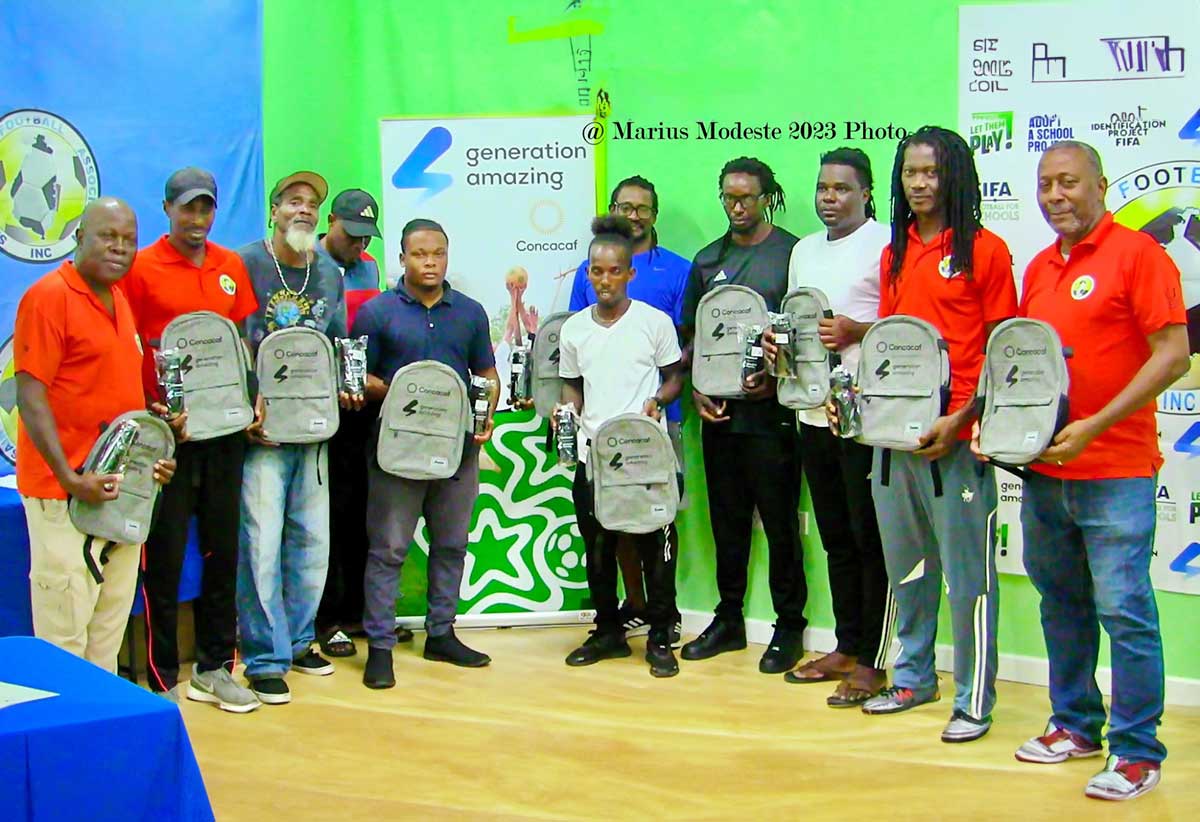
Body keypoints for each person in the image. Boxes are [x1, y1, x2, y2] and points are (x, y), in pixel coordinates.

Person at [1002, 141, 1188, 799]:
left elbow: (1172, 356)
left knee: (1125, 610)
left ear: (1100, 186)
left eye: (1069, 182)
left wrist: (1095, 427)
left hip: (1116, 471)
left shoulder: (1142, 256)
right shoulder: (1041, 269)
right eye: (1046, 184)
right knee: (1063, 607)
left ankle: (1137, 751)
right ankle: (1075, 724)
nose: (1056, 195)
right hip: (1047, 474)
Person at [854, 126, 1016, 744]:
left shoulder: (987, 251)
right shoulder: (893, 252)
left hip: (959, 440)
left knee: (967, 577)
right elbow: (895, 346)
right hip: (895, 440)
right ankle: (913, 676)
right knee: (906, 568)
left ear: (954, 177)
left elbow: (1003, 353)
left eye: (931, 173)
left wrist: (963, 420)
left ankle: (975, 698)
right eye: (910, 173)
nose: (920, 184)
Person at [14, 197, 176, 673]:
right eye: (108, 236)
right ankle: (61, 743)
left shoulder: (118, 300)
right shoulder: (49, 297)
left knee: (106, 634)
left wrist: (154, 453)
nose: (119, 248)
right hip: (64, 494)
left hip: (121, 494)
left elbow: (120, 403)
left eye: (129, 240)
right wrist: (69, 477)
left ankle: (96, 740)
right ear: (79, 237)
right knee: (65, 637)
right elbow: (30, 396)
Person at [122, 168, 260, 711]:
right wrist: (150, 411)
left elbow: (245, 342)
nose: (197, 219)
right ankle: (161, 678)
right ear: (167, 209)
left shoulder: (230, 266)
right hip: (170, 436)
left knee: (223, 549)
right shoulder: (140, 269)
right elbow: (128, 344)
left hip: (226, 433)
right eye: (187, 209)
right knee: (166, 553)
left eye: (205, 209)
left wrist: (256, 395)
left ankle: (214, 668)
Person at [772, 148, 893, 707]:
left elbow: (903, 328)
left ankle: (874, 658)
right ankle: (846, 645)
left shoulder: (889, 243)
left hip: (866, 415)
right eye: (822, 187)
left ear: (866, 193)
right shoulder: (802, 250)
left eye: (842, 188)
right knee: (835, 536)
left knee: (871, 539)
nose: (829, 197)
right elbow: (797, 322)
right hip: (811, 410)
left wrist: (856, 329)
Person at [357, 219, 499, 689]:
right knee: (389, 549)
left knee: (452, 544)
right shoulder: (377, 313)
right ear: (402, 259)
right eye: (420, 254)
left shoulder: (471, 313)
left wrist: (485, 413)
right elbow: (360, 380)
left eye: (438, 253)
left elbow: (486, 372)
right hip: (396, 452)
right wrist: (401, 391)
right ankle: (380, 647)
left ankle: (441, 633)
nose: (430, 262)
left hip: (456, 451)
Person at [680, 157, 807, 675]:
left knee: (780, 525)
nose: (736, 207)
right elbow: (691, 340)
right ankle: (729, 619)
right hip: (722, 418)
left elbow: (803, 329)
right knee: (726, 523)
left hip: (773, 417)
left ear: (766, 197)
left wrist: (778, 376)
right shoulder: (709, 260)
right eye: (728, 197)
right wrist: (697, 390)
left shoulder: (792, 254)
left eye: (746, 198)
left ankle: (790, 627)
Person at [235, 171, 351, 705]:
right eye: (293, 202)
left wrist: (346, 391)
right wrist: (242, 409)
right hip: (262, 433)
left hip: (315, 428)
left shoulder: (330, 271)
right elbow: (230, 344)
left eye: (312, 205)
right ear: (274, 211)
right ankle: (263, 656)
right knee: (261, 544)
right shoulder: (246, 264)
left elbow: (340, 344)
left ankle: (301, 640)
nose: (303, 210)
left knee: (311, 542)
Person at [559, 215, 685, 677]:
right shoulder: (573, 330)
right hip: (595, 456)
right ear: (587, 273)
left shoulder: (653, 323)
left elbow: (674, 378)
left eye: (615, 271)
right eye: (597, 271)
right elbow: (572, 386)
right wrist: (568, 414)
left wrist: (657, 400)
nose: (605, 280)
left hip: (646, 454)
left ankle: (659, 636)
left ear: (629, 273)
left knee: (655, 546)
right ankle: (608, 632)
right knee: (598, 546)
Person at [313, 188, 412, 655]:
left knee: (367, 517)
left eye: (364, 237)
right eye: (350, 234)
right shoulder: (306, 264)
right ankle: (327, 617)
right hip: (326, 408)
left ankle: (360, 613)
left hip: (367, 408)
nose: (357, 245)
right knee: (334, 515)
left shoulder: (368, 267)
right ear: (330, 221)